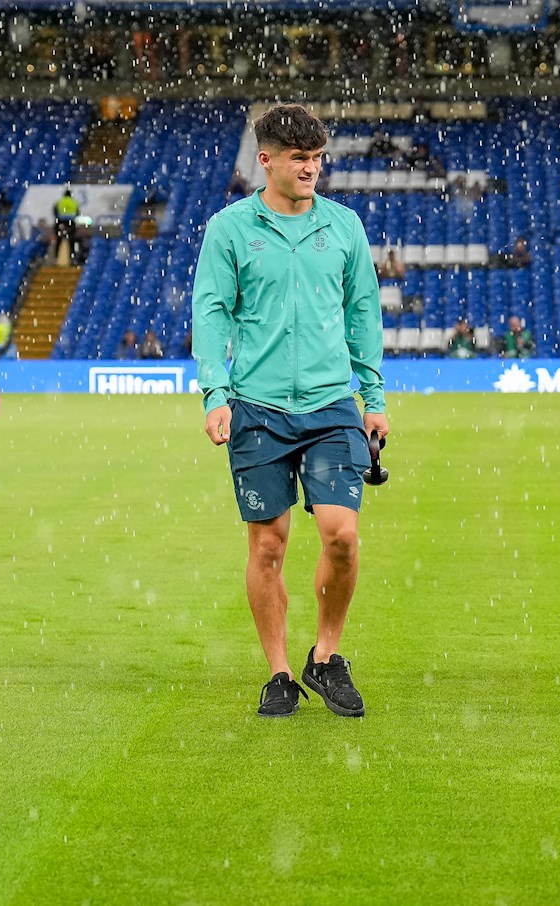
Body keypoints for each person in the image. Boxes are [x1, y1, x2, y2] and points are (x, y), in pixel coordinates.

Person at [192, 103, 386, 719]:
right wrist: (215, 393)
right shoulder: (229, 229)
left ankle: (325, 658)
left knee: (343, 537)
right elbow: (212, 312)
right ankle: (279, 673)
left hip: (332, 405)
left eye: (317, 157)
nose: (311, 168)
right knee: (268, 546)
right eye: (299, 158)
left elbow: (364, 315)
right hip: (258, 407)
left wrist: (373, 399)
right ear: (266, 160)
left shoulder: (345, 227)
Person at [54, 188, 79, 263]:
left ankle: (56, 257)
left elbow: (55, 211)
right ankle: (72, 257)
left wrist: (59, 219)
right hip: (71, 222)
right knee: (71, 241)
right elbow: (77, 212)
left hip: (61, 221)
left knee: (59, 240)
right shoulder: (74, 202)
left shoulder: (60, 201)